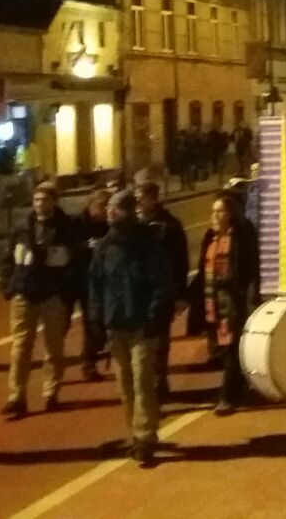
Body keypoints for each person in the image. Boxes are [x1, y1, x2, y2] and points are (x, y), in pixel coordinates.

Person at [88, 188, 173, 465]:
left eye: (116, 208)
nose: (109, 212)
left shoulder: (148, 243)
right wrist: (96, 320)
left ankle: (145, 436)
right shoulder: (104, 247)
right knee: (124, 385)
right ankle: (135, 433)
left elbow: (161, 284)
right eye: (109, 208)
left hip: (142, 326)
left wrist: (153, 317)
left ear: (127, 211)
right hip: (116, 325)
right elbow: (95, 286)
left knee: (142, 381)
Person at [1, 182, 83, 418]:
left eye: (45, 200)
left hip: (53, 294)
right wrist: (9, 285)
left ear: (54, 202)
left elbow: (77, 261)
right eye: (36, 200)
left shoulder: (67, 228)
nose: (40, 204)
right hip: (24, 291)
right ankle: (16, 396)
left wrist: (67, 290)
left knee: (53, 346)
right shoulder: (22, 227)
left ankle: (51, 392)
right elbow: (8, 258)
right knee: (20, 346)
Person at [192, 193, 259, 415]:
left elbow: (249, 269)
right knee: (223, 348)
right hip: (213, 301)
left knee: (230, 346)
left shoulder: (241, 237)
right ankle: (238, 387)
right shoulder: (210, 237)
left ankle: (227, 396)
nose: (216, 216)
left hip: (232, 301)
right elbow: (203, 270)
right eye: (214, 211)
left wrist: (248, 296)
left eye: (221, 211)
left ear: (231, 214)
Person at [138, 180, 189, 398]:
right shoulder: (133, 225)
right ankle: (145, 384)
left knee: (159, 340)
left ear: (153, 199)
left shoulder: (170, 226)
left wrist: (180, 294)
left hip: (162, 291)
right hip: (138, 292)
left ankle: (159, 383)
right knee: (140, 341)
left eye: (142, 197)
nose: (139, 201)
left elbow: (180, 261)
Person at [75, 189, 112, 380]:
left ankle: (89, 359)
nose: (105, 210)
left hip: (105, 279)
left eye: (108, 206)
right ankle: (87, 361)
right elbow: (69, 247)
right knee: (92, 322)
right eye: (102, 206)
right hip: (83, 279)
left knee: (100, 322)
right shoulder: (78, 224)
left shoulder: (109, 224)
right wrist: (85, 246)